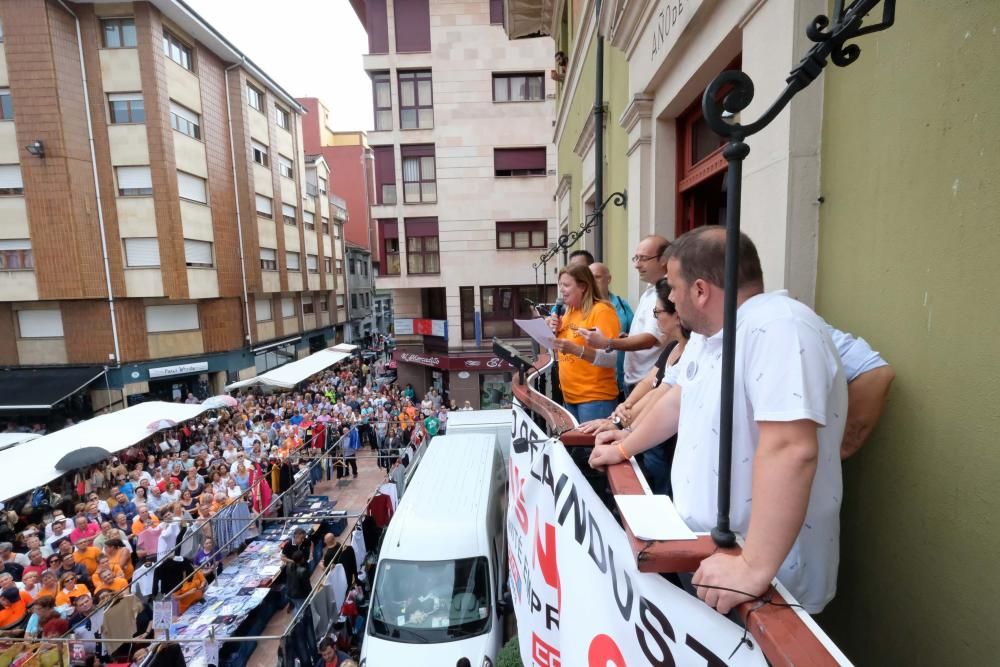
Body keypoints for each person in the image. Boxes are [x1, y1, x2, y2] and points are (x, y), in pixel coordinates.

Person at [589, 227, 846, 614]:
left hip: (766, 587)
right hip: (712, 558)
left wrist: (753, 567)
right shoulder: (712, 338)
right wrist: (624, 446)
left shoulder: (779, 328)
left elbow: (791, 449)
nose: (669, 297)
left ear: (700, 290)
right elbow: (677, 401)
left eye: (672, 287)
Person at [579, 235, 669, 395]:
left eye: (643, 258)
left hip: (648, 383)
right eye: (636, 258)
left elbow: (650, 339)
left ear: (664, 259)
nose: (636, 265)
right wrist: (627, 338)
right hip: (635, 379)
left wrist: (608, 343)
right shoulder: (650, 291)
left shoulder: (665, 293)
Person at [545, 264, 621, 422]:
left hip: (595, 399)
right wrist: (551, 331)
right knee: (578, 447)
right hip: (570, 397)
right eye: (560, 285)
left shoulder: (602, 311)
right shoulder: (569, 312)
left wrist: (575, 349)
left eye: (566, 285)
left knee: (594, 446)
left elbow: (612, 358)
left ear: (583, 286)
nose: (561, 290)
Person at [589, 261, 634, 396]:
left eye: (597, 277)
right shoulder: (582, 306)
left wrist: (626, 337)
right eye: (589, 277)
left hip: (622, 375)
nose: (592, 281)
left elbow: (635, 333)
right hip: (595, 381)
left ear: (608, 279)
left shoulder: (621, 304)